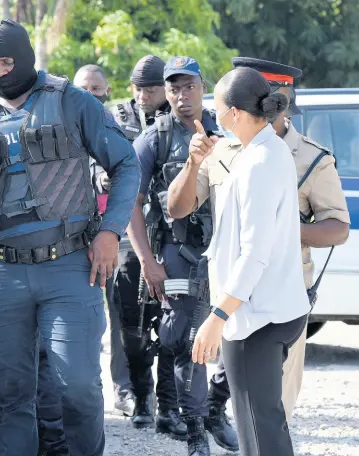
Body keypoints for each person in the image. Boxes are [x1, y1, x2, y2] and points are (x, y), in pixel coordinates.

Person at [0, 19, 139, 456]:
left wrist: (111, 232)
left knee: (78, 387)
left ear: (26, 58)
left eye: (7, 62)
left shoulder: (73, 103)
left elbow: (126, 166)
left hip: (68, 268)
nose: (0, 71)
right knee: (7, 395)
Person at [167, 58, 350, 426]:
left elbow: (338, 228)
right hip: (232, 290)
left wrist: (279, 230)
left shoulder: (310, 157)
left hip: (281, 295)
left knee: (273, 408)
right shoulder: (223, 149)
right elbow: (178, 208)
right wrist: (192, 163)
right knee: (248, 411)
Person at [184, 66, 310, 456]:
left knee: (259, 431)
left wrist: (217, 317)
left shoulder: (259, 161)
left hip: (258, 317)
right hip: (266, 309)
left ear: (235, 113)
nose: (213, 114)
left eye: (217, 107)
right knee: (264, 425)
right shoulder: (265, 150)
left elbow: (255, 254)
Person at [128, 56, 216, 456]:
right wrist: (148, 261)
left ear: (202, 86)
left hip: (227, 251)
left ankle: (221, 408)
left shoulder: (226, 128)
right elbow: (131, 202)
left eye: (189, 87)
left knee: (240, 333)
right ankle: (195, 429)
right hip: (176, 251)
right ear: (166, 93)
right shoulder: (154, 138)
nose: (182, 96)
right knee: (185, 337)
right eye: (174, 88)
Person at [104, 56, 187, 439]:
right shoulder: (115, 116)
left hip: (171, 232)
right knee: (130, 325)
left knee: (173, 323)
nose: (142, 96)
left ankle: (169, 404)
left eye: (150, 89)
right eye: (137, 88)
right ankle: (141, 397)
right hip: (127, 230)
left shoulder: (180, 123)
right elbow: (95, 159)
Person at [72, 63, 137, 421]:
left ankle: (123, 389)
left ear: (108, 92)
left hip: (115, 237)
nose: (92, 94)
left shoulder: (115, 129)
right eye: (85, 88)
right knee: (83, 320)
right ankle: (86, 391)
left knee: (119, 314)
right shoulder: (63, 126)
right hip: (74, 241)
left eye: (98, 89)